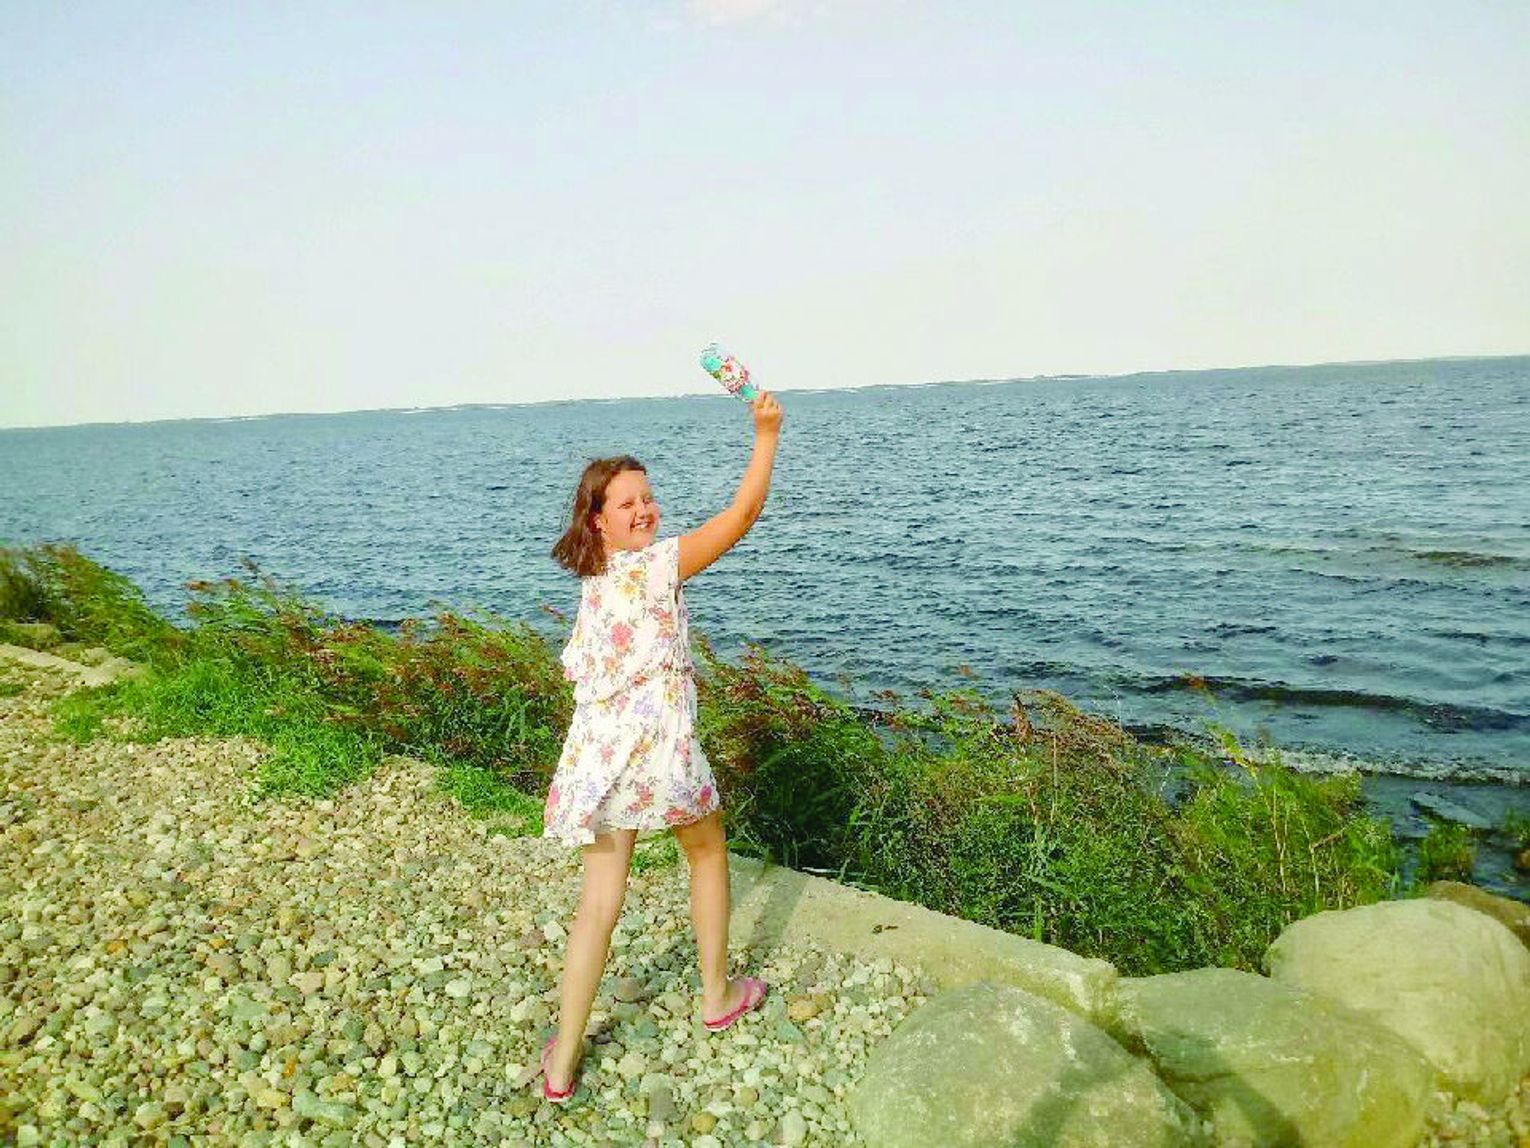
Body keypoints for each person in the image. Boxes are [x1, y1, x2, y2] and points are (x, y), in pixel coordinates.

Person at [536, 391, 785, 1103]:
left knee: (597, 904)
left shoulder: (598, 575)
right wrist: (765, 433)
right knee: (705, 850)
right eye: (627, 503)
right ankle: (716, 994)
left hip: (599, 758)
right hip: (660, 754)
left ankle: (562, 1062)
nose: (644, 509)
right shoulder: (656, 567)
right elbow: (742, 515)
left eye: (647, 498)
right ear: (598, 519)